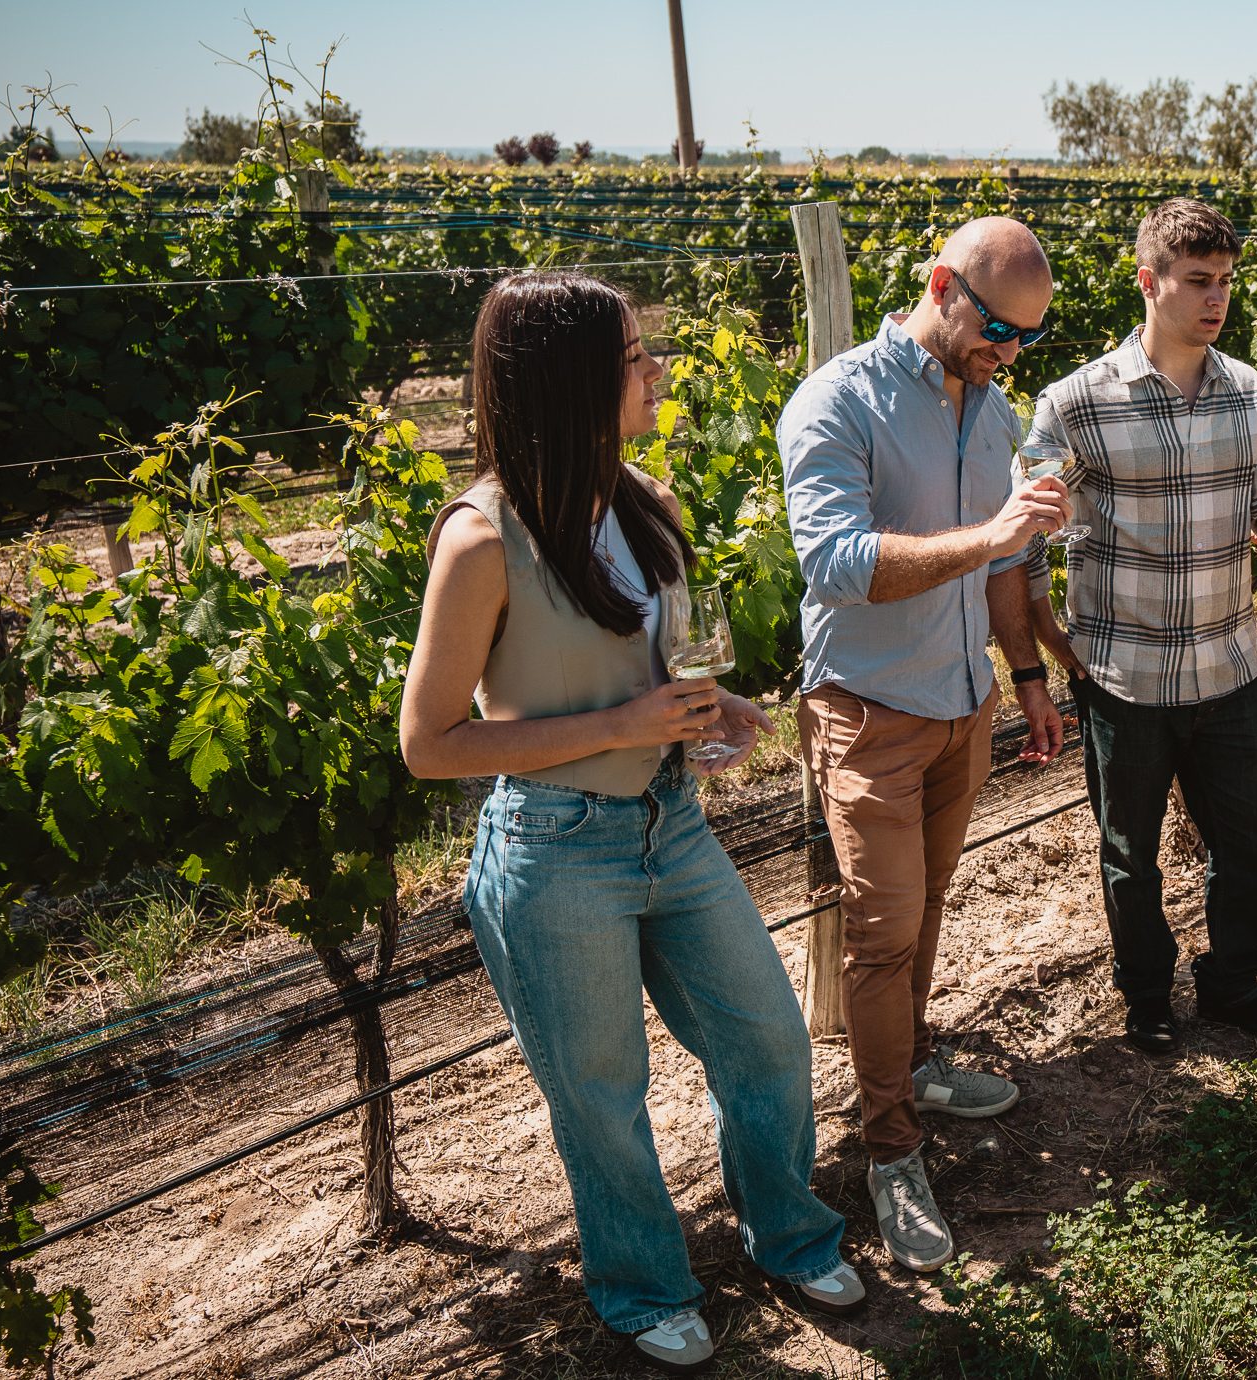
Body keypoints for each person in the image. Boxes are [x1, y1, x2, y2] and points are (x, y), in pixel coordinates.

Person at [402, 271, 860, 1375]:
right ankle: (642, 1285)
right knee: (603, 1097)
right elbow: (431, 745)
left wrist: (711, 711)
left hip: (671, 823)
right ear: (569, 382)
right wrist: (626, 719)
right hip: (557, 850)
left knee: (765, 1038)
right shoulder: (481, 539)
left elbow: (656, 671)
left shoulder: (639, 498)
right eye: (633, 357)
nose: (654, 371)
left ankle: (787, 1236)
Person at [778, 217, 1072, 1277]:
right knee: (880, 936)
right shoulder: (837, 401)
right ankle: (890, 1150)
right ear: (941, 286)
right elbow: (837, 563)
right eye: (997, 328)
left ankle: (911, 1064)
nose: (1010, 353)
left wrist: (1026, 677)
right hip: (869, 714)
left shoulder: (991, 406)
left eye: (1029, 339)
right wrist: (992, 537)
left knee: (931, 905)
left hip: (963, 703)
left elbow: (1003, 566)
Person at [1024, 198, 1257, 1055]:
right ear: (1148, 281)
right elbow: (1023, 531)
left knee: (1253, 845)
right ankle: (1149, 999)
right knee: (1133, 856)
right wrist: (1047, 642)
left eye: (1226, 281)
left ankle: (1233, 985)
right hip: (1125, 680)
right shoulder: (1076, 402)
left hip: (1232, 668)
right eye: (1198, 281)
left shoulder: (1247, 391)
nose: (1216, 299)